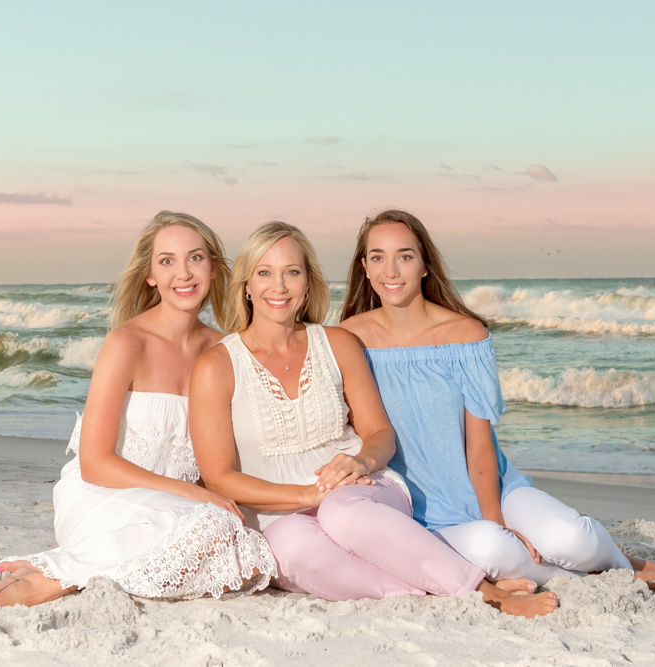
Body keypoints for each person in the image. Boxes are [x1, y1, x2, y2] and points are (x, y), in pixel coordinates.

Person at [189, 221, 558, 618]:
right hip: (278, 510)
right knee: (287, 547)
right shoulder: (217, 365)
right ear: (246, 285)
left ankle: (487, 594)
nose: (278, 287)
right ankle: (445, 588)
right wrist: (306, 496)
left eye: (292, 272)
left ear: (308, 282)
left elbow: (380, 433)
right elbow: (219, 478)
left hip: (365, 490)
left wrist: (362, 462)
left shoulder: (338, 344)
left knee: (340, 512)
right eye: (264, 273)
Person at [339, 209, 655, 588]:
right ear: (364, 266)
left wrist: (496, 519)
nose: (391, 271)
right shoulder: (348, 339)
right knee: (495, 550)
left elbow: (479, 444)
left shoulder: (466, 334)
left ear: (425, 265)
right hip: (415, 509)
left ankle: (620, 562)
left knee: (573, 539)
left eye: (405, 256)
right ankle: (605, 577)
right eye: (378, 258)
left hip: (496, 488)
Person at [0, 211, 275, 610]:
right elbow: (94, 464)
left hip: (178, 508)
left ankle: (61, 570)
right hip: (104, 496)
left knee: (247, 554)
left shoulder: (225, 351)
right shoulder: (126, 342)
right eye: (167, 261)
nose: (183, 273)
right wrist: (190, 495)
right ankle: (55, 575)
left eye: (195, 258)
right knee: (215, 530)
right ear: (150, 275)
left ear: (214, 268)